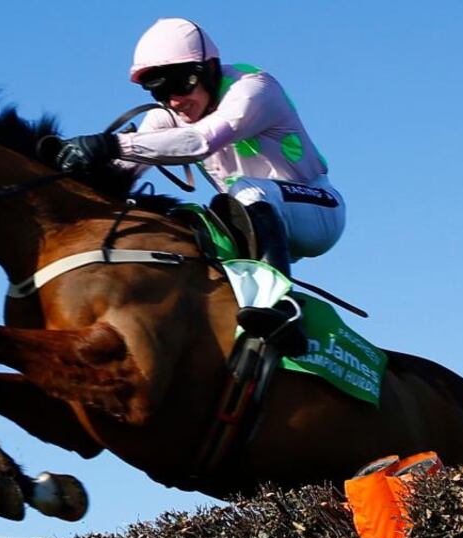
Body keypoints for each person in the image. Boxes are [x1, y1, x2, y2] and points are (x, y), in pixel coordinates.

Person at [56, 18, 345, 350]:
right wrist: (71, 171)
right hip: (258, 221)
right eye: (160, 91)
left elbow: (201, 141)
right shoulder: (170, 113)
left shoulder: (254, 88)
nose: (175, 100)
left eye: (182, 84)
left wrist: (111, 144)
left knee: (246, 191)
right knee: (191, 219)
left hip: (319, 210)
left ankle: (282, 310)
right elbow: (125, 168)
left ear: (209, 69)